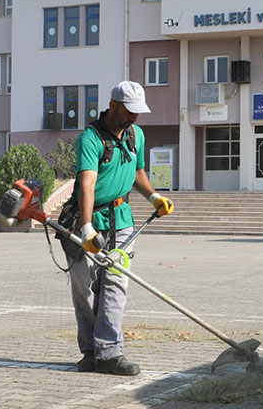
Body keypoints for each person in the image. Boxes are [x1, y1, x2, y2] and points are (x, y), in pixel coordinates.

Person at [62, 80, 173, 376]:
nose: (134, 117)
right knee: (83, 288)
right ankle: (90, 353)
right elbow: (86, 184)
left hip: (122, 221)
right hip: (85, 221)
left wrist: (154, 197)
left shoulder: (136, 134)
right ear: (112, 105)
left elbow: (138, 172)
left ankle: (109, 353)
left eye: (138, 111)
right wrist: (86, 227)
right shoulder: (90, 138)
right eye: (128, 111)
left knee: (115, 284)